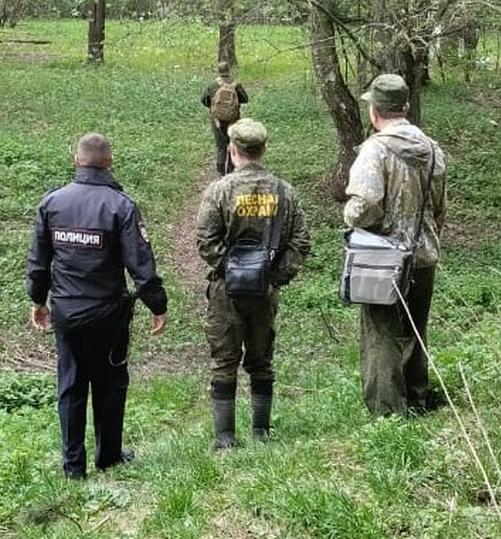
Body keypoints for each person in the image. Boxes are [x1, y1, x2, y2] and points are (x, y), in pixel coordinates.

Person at [26, 133, 168, 479]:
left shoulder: (52, 203)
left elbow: (38, 261)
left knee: (71, 385)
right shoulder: (121, 206)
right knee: (111, 383)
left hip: (67, 312)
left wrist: (38, 299)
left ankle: (73, 467)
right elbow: (141, 264)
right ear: (109, 162)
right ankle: (109, 457)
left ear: (77, 160)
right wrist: (157, 305)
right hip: (108, 316)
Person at [195, 118, 310, 449]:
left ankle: (225, 438)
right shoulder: (284, 191)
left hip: (225, 292)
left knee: (223, 361)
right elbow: (301, 240)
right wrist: (273, 277)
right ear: (263, 150)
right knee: (261, 360)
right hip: (265, 292)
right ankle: (261, 434)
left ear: (232, 151)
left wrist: (231, 272)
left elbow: (205, 240)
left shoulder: (220, 190)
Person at [344, 74, 447, 417]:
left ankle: (387, 414)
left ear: (375, 111)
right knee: (415, 332)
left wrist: (349, 215)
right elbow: (439, 206)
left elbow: (366, 203)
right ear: (404, 107)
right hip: (424, 256)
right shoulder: (432, 149)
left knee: (381, 335)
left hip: (382, 261)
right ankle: (417, 401)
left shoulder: (376, 149)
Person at [201, 62, 249, 175]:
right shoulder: (236, 84)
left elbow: (203, 100)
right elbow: (245, 99)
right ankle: (231, 170)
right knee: (232, 143)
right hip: (233, 120)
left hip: (217, 120)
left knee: (220, 146)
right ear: (229, 70)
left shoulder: (212, 85)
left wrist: (214, 108)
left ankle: (221, 172)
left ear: (218, 71)